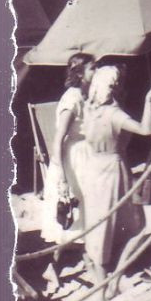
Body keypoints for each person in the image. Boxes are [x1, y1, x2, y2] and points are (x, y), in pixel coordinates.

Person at [77, 65, 151, 284]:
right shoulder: (114, 114)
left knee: (99, 224)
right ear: (114, 87)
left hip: (92, 167)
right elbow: (145, 130)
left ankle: (101, 281)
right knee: (136, 225)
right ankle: (115, 279)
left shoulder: (88, 109)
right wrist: (147, 101)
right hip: (113, 168)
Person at [42, 54, 94, 248]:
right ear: (80, 73)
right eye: (92, 68)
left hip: (85, 156)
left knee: (84, 213)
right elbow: (58, 140)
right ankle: (52, 266)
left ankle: (91, 261)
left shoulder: (84, 95)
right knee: (70, 215)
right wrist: (62, 179)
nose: (95, 72)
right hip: (72, 159)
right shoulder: (71, 99)